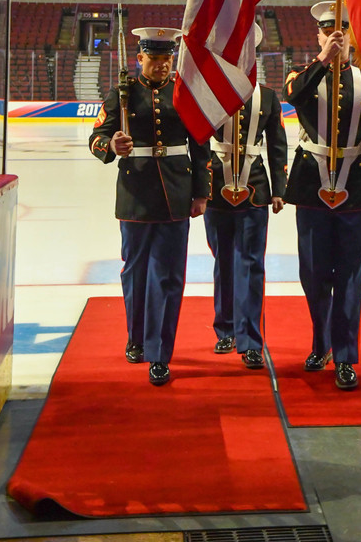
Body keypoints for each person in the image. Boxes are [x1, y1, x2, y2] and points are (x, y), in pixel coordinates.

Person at [89, 26, 211, 386]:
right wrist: (111, 144)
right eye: (154, 58)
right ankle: (137, 336)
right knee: (135, 272)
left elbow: (201, 148)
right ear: (139, 58)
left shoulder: (184, 95)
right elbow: (96, 137)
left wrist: (201, 192)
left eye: (166, 58)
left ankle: (160, 353)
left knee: (169, 277)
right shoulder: (120, 95)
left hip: (176, 193)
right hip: (135, 195)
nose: (161, 65)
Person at [283, 1, 361, 391]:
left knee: (349, 275)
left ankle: (345, 355)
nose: (335, 38)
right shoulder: (303, 75)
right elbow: (293, 95)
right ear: (319, 36)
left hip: (355, 189)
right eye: (328, 32)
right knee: (313, 273)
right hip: (312, 187)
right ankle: (320, 342)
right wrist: (323, 59)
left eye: (340, 33)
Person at [205, 23, 287, 369]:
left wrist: (280, 191)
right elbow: (196, 144)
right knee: (223, 260)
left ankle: (250, 338)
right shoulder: (208, 92)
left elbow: (278, 147)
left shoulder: (267, 97)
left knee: (252, 264)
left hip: (255, 189)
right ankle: (225, 329)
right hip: (214, 189)